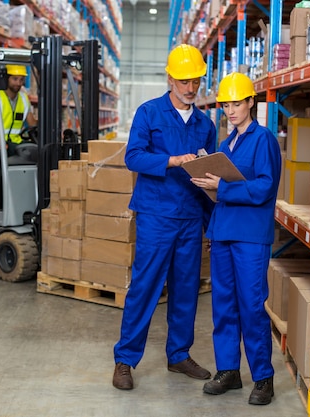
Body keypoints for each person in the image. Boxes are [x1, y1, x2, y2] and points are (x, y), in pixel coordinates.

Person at [112, 44, 216, 391]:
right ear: (170, 78)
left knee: (186, 290)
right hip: (156, 215)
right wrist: (171, 161)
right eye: (184, 81)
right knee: (145, 287)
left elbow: (208, 174)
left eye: (195, 81)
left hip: (189, 216)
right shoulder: (149, 113)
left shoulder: (205, 124)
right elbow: (134, 158)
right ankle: (125, 360)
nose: (190, 88)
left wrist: (210, 222)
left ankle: (179, 355)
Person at [190, 72, 282, 405]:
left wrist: (222, 186)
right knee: (223, 305)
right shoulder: (226, 145)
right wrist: (204, 175)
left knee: (251, 307)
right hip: (224, 232)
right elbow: (221, 191)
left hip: (250, 237)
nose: (230, 110)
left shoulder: (263, 140)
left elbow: (264, 187)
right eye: (226, 104)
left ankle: (263, 378)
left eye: (236, 103)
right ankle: (228, 370)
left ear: (250, 103)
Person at [0, 64, 37, 161]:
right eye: (15, 79)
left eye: (21, 80)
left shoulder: (23, 98)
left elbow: (32, 123)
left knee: (35, 150)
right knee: (23, 153)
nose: (18, 83)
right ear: (7, 79)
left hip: (14, 142)